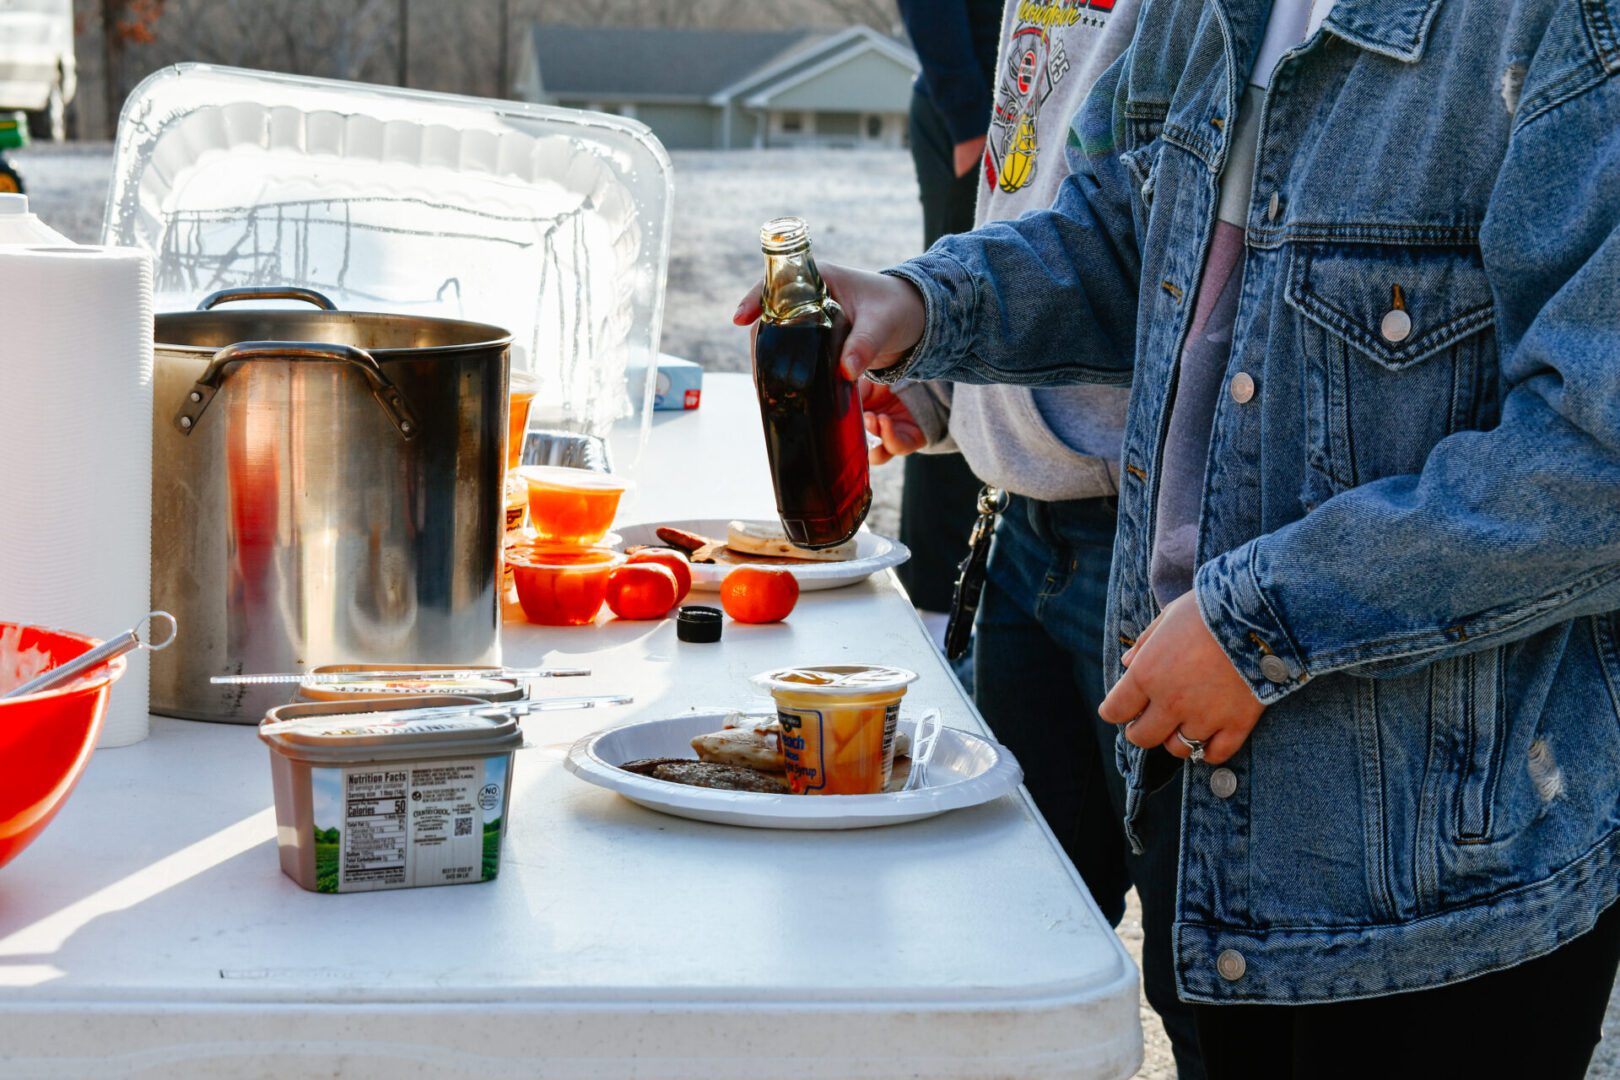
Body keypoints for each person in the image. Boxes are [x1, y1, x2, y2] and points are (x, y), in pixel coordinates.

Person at [737, 0, 1620, 1074]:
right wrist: (928, 303)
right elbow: (1139, 232)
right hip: (1217, 821)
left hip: (1440, 899)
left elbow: (1593, 460)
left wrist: (1258, 624)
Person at [868, 2, 1207, 1075]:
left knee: (1198, 983)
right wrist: (943, 383)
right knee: (992, 957)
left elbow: (1142, 247)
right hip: (1019, 534)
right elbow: (1032, 196)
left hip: (1151, 556)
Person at [891, 0, 1002, 647]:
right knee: (952, 340)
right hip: (979, 116)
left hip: (1013, 109)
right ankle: (932, 600)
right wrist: (968, 117)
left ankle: (956, 594)